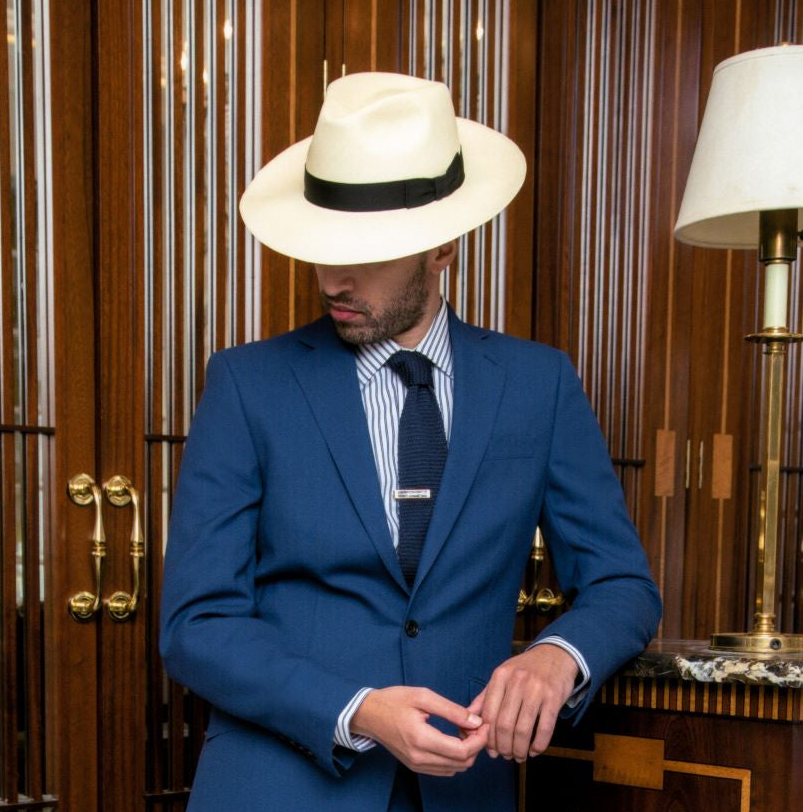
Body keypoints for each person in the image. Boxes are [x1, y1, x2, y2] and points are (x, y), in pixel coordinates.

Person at [159, 72, 661, 811]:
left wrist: (558, 657)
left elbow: (623, 585)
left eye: (364, 250)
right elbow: (197, 625)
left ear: (442, 246)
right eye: (321, 246)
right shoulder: (247, 385)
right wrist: (358, 709)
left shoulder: (538, 385)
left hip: (466, 789)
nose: (333, 278)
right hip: (280, 787)